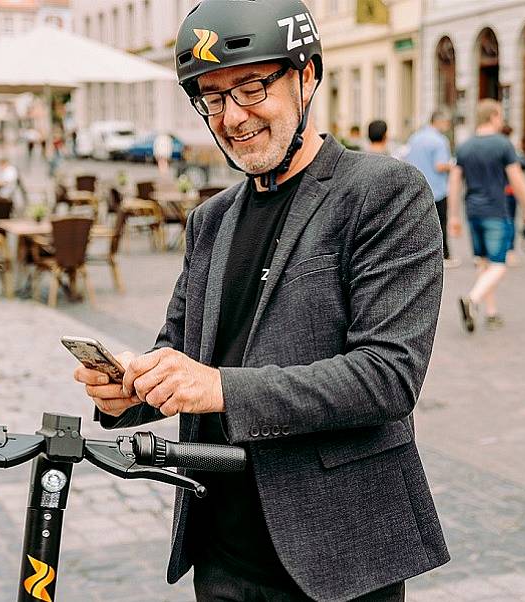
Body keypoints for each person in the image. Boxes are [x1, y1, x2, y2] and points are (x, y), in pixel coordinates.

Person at [73, 1, 449, 600]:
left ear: (306, 76)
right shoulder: (211, 219)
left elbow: (388, 377)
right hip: (222, 550)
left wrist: (220, 387)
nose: (232, 115)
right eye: (212, 97)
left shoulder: (382, 193)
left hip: (337, 555)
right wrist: (131, 391)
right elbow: (181, 348)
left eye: (251, 86)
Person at [448, 99, 525, 332]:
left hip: (473, 212)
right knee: (499, 264)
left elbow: (455, 181)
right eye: (500, 115)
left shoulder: (465, 147)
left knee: (483, 262)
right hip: (497, 211)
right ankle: (473, 300)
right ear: (494, 116)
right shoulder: (503, 145)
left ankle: (491, 312)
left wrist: (453, 216)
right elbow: (517, 180)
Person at [404, 111, 457, 268]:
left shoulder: (415, 137)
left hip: (416, 188)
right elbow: (440, 165)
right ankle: (444, 255)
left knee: (418, 224)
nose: (447, 127)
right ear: (439, 122)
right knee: (440, 224)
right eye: (446, 123)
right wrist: (452, 165)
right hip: (436, 189)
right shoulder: (440, 141)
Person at [499, 124, 525, 267]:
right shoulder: (509, 150)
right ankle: (509, 251)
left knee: (501, 221)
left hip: (498, 191)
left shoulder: (498, 148)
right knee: (509, 221)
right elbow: (522, 164)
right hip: (509, 191)